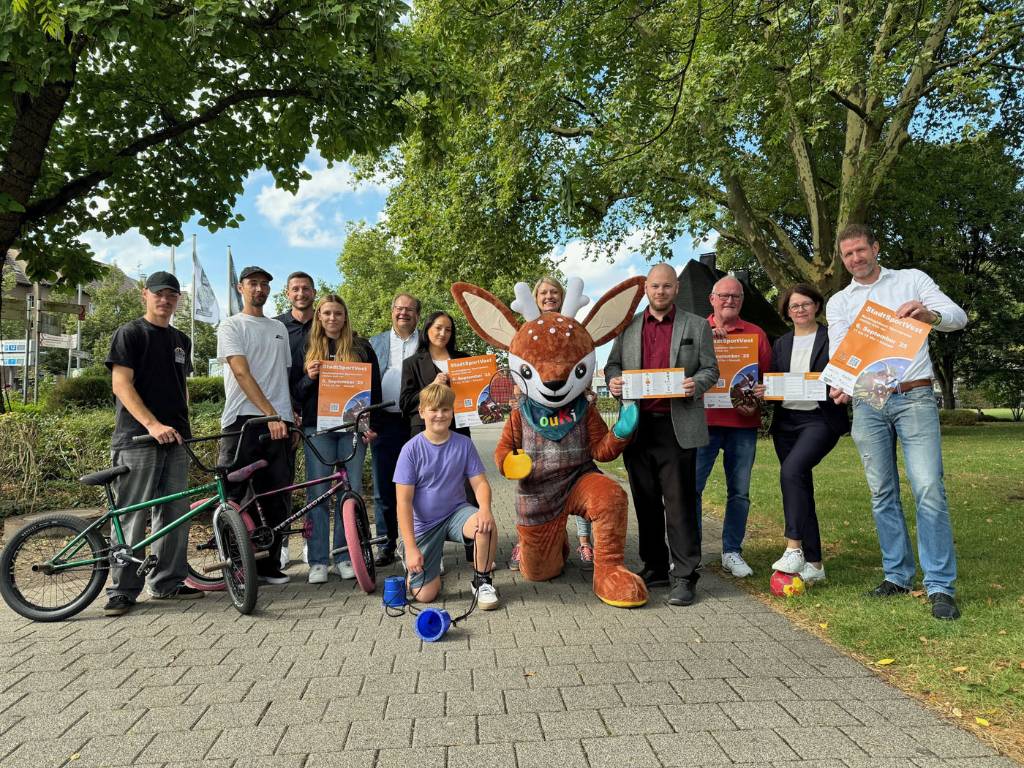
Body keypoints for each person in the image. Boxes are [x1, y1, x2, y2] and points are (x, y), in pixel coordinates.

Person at [826, 224, 967, 620]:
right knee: (881, 492)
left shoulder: (912, 281)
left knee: (927, 488)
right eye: (848, 254)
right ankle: (898, 575)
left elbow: (958, 316)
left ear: (876, 247)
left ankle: (939, 585)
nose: (855, 258)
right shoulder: (839, 301)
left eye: (860, 250)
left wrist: (930, 315)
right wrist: (840, 383)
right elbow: (840, 351)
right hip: (869, 398)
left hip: (914, 394)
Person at [606, 263, 719, 606]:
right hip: (638, 426)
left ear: (675, 288)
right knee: (645, 500)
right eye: (654, 286)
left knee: (680, 503)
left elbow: (711, 370)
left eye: (666, 286)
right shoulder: (627, 328)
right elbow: (613, 365)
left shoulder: (696, 326)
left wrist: (694, 384)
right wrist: (613, 382)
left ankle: (685, 575)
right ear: (646, 289)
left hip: (676, 426)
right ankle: (654, 566)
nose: (660, 292)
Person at [103, 271, 204, 615]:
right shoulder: (129, 334)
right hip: (137, 439)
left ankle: (167, 582)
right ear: (144, 295)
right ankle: (121, 589)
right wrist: (152, 424)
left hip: (175, 440)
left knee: (174, 515)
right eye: (159, 294)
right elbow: (121, 385)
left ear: (178, 300)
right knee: (133, 515)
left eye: (172, 295)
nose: (165, 300)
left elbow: (181, 387)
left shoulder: (180, 339)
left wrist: (180, 424)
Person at [291, 295, 382, 584]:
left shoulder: (361, 347)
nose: (332, 318)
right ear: (319, 316)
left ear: (345, 317)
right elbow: (294, 392)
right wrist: (309, 376)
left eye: (338, 313)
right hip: (317, 430)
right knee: (317, 496)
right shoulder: (306, 346)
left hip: (353, 429)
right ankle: (318, 561)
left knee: (350, 493)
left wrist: (369, 424)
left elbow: (374, 391)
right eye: (327, 313)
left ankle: (344, 555)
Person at [507, 276, 596, 571]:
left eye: (553, 292)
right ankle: (526, 542)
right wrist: (520, 390)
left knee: (582, 473)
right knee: (529, 483)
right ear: (536, 296)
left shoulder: (574, 328)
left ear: (561, 296)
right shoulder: (525, 328)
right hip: (534, 417)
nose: (549, 297)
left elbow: (583, 360)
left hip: (572, 413)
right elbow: (518, 363)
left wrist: (585, 389)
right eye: (543, 292)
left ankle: (585, 542)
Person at [767, 284, 850, 585]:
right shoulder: (781, 343)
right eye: (793, 306)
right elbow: (775, 380)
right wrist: (766, 390)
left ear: (816, 305)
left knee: (791, 472)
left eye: (805, 304)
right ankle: (815, 564)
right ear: (787, 312)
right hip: (786, 421)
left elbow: (847, 372)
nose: (800, 310)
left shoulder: (832, 337)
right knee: (799, 485)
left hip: (820, 419)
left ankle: (793, 548)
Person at [216, 265, 293, 585]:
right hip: (243, 421)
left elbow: (281, 375)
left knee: (277, 496)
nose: (259, 289)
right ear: (240, 287)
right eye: (253, 284)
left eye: (264, 284)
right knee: (233, 497)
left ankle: (269, 565)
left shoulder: (279, 328)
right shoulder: (230, 326)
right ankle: (234, 566)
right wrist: (271, 414)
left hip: (281, 421)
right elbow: (242, 373)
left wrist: (288, 415)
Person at [394, 382, 500, 609]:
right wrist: (412, 548)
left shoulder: (464, 444)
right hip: (424, 525)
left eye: (445, 409)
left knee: (485, 525)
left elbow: (480, 482)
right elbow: (403, 502)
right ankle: (410, 555)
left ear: (453, 411)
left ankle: (482, 581)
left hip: (455, 514)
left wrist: (485, 509)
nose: (439, 415)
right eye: (433, 409)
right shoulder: (410, 450)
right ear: (422, 412)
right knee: (425, 596)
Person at [695, 276, 772, 578]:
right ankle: (691, 552)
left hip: (742, 423)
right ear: (712, 299)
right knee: (692, 490)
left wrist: (767, 389)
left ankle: (731, 551)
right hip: (702, 424)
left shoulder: (755, 334)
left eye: (736, 297)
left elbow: (768, 375)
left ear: (741, 301)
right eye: (724, 296)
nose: (730, 301)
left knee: (739, 492)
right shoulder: (696, 329)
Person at [369, 293, 421, 566]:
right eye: (399, 308)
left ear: (417, 315)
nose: (403, 313)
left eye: (409, 310)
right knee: (383, 486)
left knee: (420, 485)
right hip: (383, 422)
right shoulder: (373, 343)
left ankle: (421, 541)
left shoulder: (426, 342)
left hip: (416, 422)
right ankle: (385, 544)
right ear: (391, 311)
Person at [274, 271, 316, 569]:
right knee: (283, 484)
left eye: (306, 289)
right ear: (288, 293)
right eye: (295, 289)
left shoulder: (325, 324)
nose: (301, 293)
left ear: (314, 292)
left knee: (318, 484)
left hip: (317, 412)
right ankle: (282, 544)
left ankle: (314, 546)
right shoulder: (275, 327)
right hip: (283, 412)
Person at [399, 311, 471, 437]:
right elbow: (405, 402)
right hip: (423, 429)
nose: (443, 334)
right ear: (427, 329)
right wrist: (432, 386)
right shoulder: (412, 363)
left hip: (459, 428)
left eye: (448, 330)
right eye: (438, 328)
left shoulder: (464, 359)